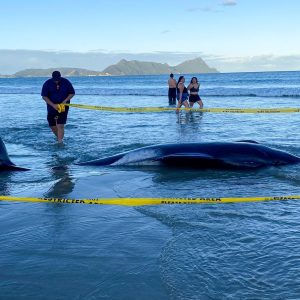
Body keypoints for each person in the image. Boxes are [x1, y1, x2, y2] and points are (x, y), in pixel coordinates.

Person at [41, 71, 75, 143]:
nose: (56, 81)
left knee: (60, 125)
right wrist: (53, 105)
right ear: (52, 78)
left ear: (60, 77)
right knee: (52, 125)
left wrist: (65, 101)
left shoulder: (66, 82)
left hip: (63, 106)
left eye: (58, 79)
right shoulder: (47, 83)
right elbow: (44, 96)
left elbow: (72, 93)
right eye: (55, 80)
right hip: (51, 106)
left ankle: (60, 142)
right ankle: (59, 137)